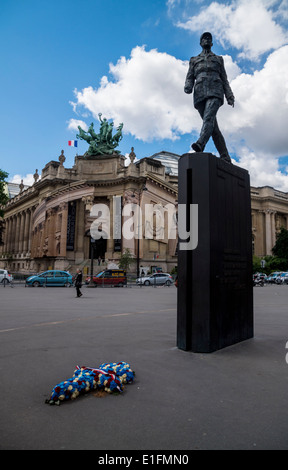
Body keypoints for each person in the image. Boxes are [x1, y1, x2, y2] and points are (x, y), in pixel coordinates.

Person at [184, 32, 235, 163]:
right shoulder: (194, 60)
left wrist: (229, 95)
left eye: (209, 38)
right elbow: (190, 76)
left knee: (208, 118)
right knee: (213, 128)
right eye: (204, 38)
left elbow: (224, 79)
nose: (206, 40)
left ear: (212, 43)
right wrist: (188, 86)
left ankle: (200, 143)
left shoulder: (218, 59)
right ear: (200, 43)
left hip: (215, 91)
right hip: (200, 93)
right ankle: (225, 156)